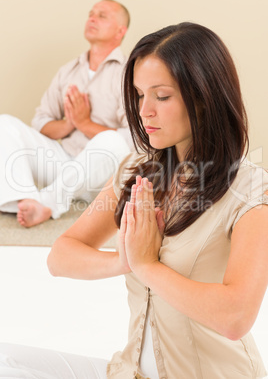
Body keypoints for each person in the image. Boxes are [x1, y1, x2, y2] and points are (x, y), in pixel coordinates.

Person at [0, 22, 268, 378]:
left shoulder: (250, 190)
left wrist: (148, 267)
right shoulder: (138, 172)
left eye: (162, 96)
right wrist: (125, 261)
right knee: (7, 360)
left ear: (204, 97)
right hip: (130, 371)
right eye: (140, 95)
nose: (144, 112)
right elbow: (60, 256)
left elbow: (236, 317)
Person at [0, 0, 133, 228]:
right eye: (91, 13)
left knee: (114, 141)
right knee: (5, 123)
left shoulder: (129, 73)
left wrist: (84, 123)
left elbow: (134, 137)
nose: (92, 18)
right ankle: (25, 200)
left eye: (102, 16)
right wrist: (69, 124)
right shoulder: (68, 71)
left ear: (121, 31)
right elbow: (40, 121)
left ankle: (48, 202)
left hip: (100, 174)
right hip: (63, 162)